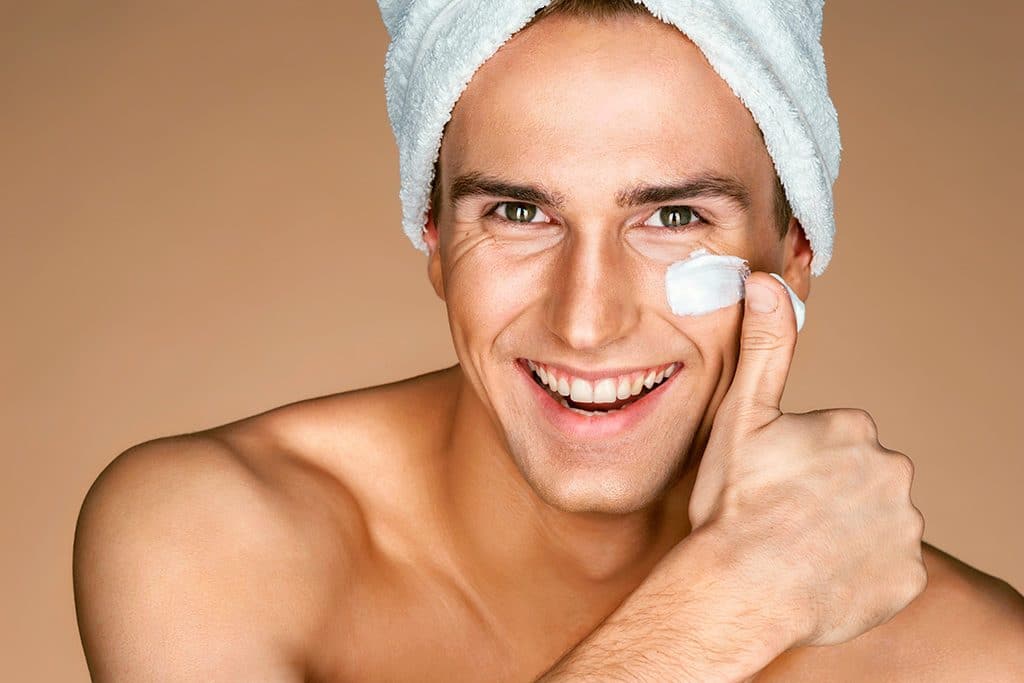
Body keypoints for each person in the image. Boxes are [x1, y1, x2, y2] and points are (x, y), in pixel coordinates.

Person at [73, 1, 1024, 680]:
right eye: (521, 212)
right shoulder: (210, 539)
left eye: (674, 217)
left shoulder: (968, 659)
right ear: (435, 238)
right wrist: (729, 601)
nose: (586, 319)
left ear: (795, 251)